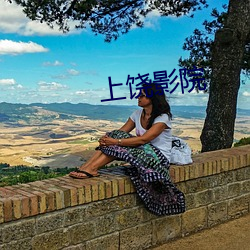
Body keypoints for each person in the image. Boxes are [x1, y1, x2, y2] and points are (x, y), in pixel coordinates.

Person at [69, 83, 185, 215]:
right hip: (141, 150)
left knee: (117, 142)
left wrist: (115, 141)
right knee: (113, 136)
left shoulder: (162, 117)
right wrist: (107, 139)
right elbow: (121, 132)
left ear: (152, 98)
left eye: (142, 95)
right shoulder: (137, 114)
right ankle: (87, 167)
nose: (138, 97)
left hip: (158, 158)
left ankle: (93, 168)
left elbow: (144, 139)